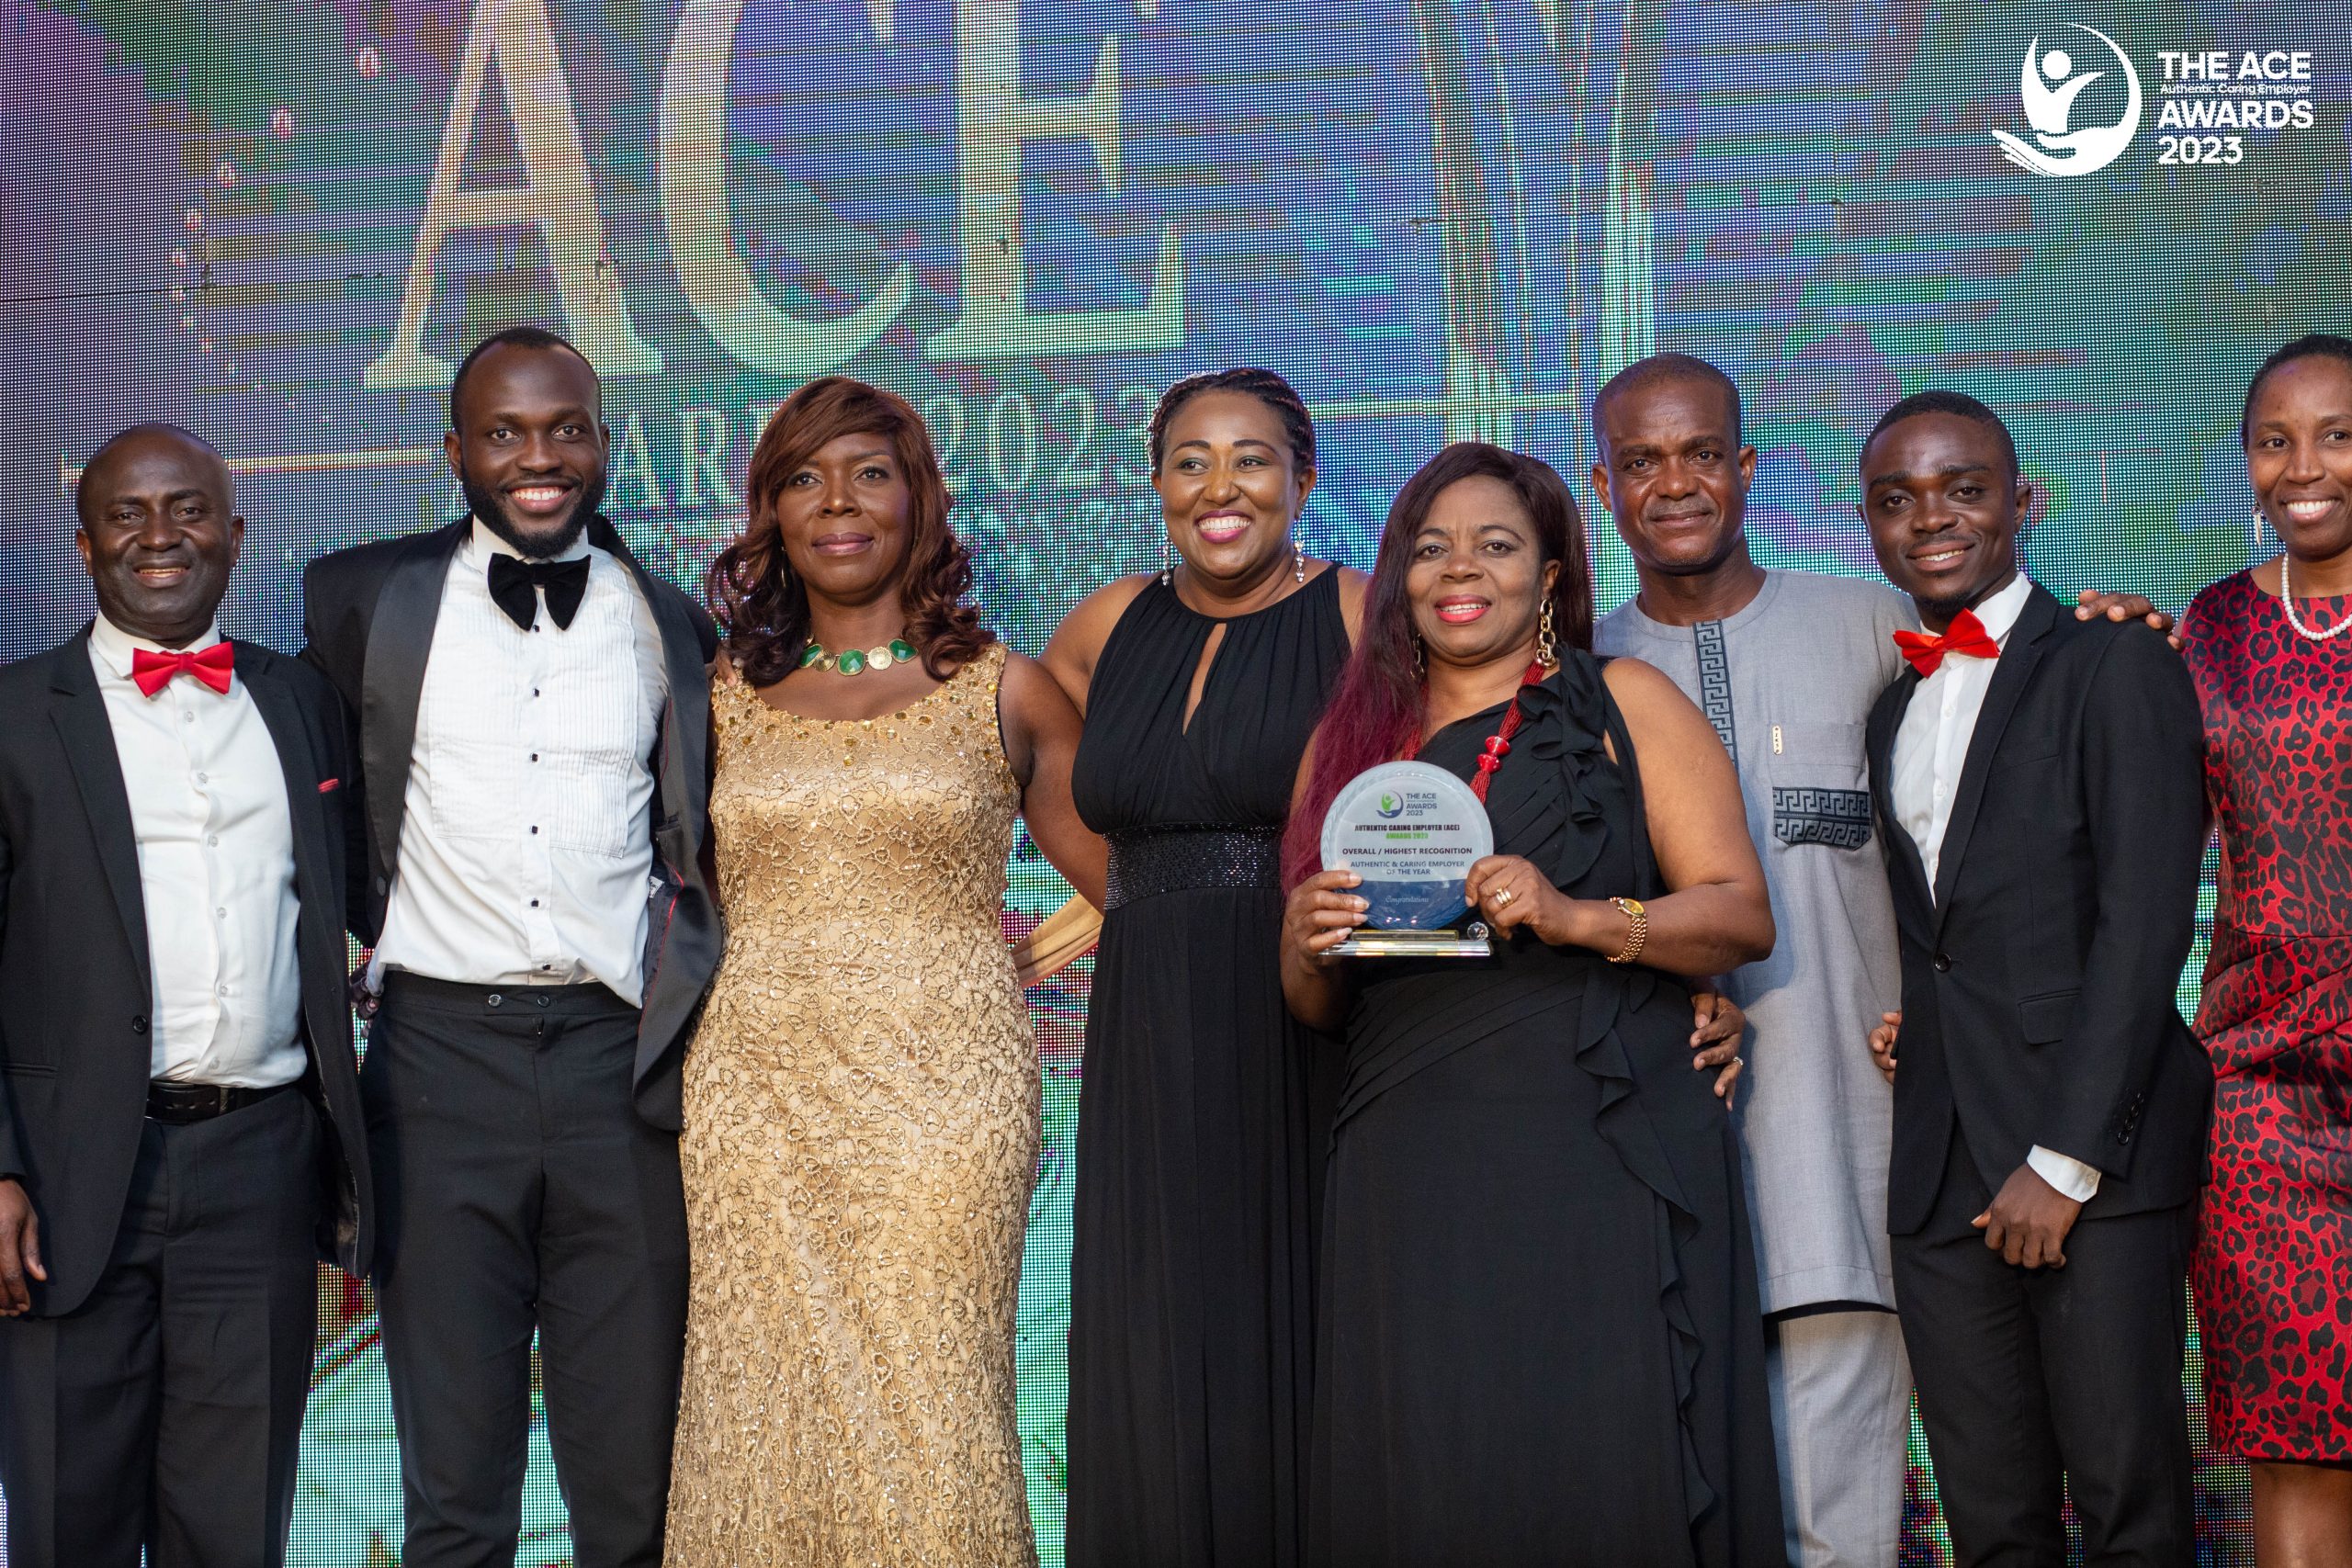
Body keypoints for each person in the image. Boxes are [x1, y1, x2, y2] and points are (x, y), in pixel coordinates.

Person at [1587, 352, 2177, 1566]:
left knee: (1945, 1504)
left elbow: (2072, 856)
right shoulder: (1577, 679)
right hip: (1672, 1159)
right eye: (1642, 461)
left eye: (1703, 454)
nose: (1676, 483)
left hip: (1875, 1147)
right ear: (1602, 487)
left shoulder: (1882, 631)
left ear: (1748, 468)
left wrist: (2117, 627)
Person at [1279, 441, 1785, 1566]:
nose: (1460, 568)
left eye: (1496, 545)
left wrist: (1577, 916)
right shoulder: (1351, 743)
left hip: (1596, 1146)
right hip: (1408, 1164)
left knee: (1596, 1457)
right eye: (1431, 548)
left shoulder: (1625, 704)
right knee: (1431, 1467)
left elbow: (1740, 913)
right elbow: (1317, 1008)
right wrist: (1302, 941)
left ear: (1550, 572)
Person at [662, 377, 1105, 1565]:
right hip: (752, 1102)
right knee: (757, 1407)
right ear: (771, 512)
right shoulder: (716, 695)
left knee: (931, 1401)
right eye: (804, 478)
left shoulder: (1005, 687)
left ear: (919, 500)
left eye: (869, 472)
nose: (838, 501)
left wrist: (1028, 953)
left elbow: (1130, 882)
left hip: (944, 1103)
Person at [300, 327, 720, 1568]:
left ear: (603, 443)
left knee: (635, 1493)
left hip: (620, 1074)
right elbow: (324, 810)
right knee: (456, 1492)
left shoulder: (672, 624)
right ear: (455, 452)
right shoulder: (359, 599)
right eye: (504, 433)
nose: (539, 458)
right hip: (435, 1071)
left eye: (565, 429)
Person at [0, 425, 372, 1567]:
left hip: (258, 1167)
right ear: (84, 545)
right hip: (63, 1178)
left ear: (235, 534)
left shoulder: (300, 701)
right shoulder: (12, 714)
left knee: (235, 1528)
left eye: (189, 509)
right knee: (67, 1525)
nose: (159, 536)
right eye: (127, 514)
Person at [1858, 391, 2210, 1565]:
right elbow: (1948, 934)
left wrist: (2063, 1164)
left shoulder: (2117, 661)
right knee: (1990, 1525)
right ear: (1869, 524)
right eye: (1897, 500)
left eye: (1963, 489)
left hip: (2088, 1159)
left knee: (2127, 1507)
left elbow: (2145, 926)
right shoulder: (1890, 708)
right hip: (1938, 1168)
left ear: (2024, 502)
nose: (1931, 519)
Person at [1037, 367, 1362, 1568]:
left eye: (1252, 459)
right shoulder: (1104, 623)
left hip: (1303, 1012)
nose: (1220, 487)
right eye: (1191, 461)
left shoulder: (1361, 612)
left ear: (1304, 479)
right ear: (1158, 483)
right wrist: (1125, 899)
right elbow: (1031, 757)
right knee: (1154, 1330)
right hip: (1146, 1021)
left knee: (1295, 1318)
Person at [2178, 333, 2352, 1565]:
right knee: (2296, 1442)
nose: (2305, 467)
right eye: (2275, 440)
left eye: (2339, 434)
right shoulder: (2216, 623)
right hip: (2263, 1098)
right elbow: (2138, 849)